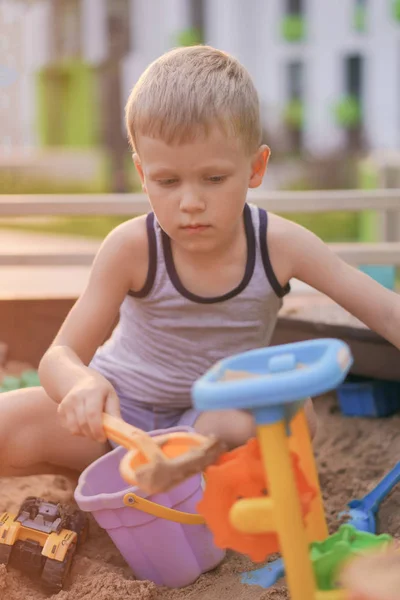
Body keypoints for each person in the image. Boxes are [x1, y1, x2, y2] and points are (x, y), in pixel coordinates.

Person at [1, 45, 399, 479]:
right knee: (7, 424)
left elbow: (383, 310)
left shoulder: (278, 244)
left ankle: (170, 475)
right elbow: (59, 355)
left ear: (255, 167)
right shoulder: (132, 247)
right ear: (142, 174)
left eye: (214, 179)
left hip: (208, 427)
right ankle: (137, 472)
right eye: (167, 181)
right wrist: (81, 384)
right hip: (117, 421)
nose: (190, 203)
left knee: (294, 413)